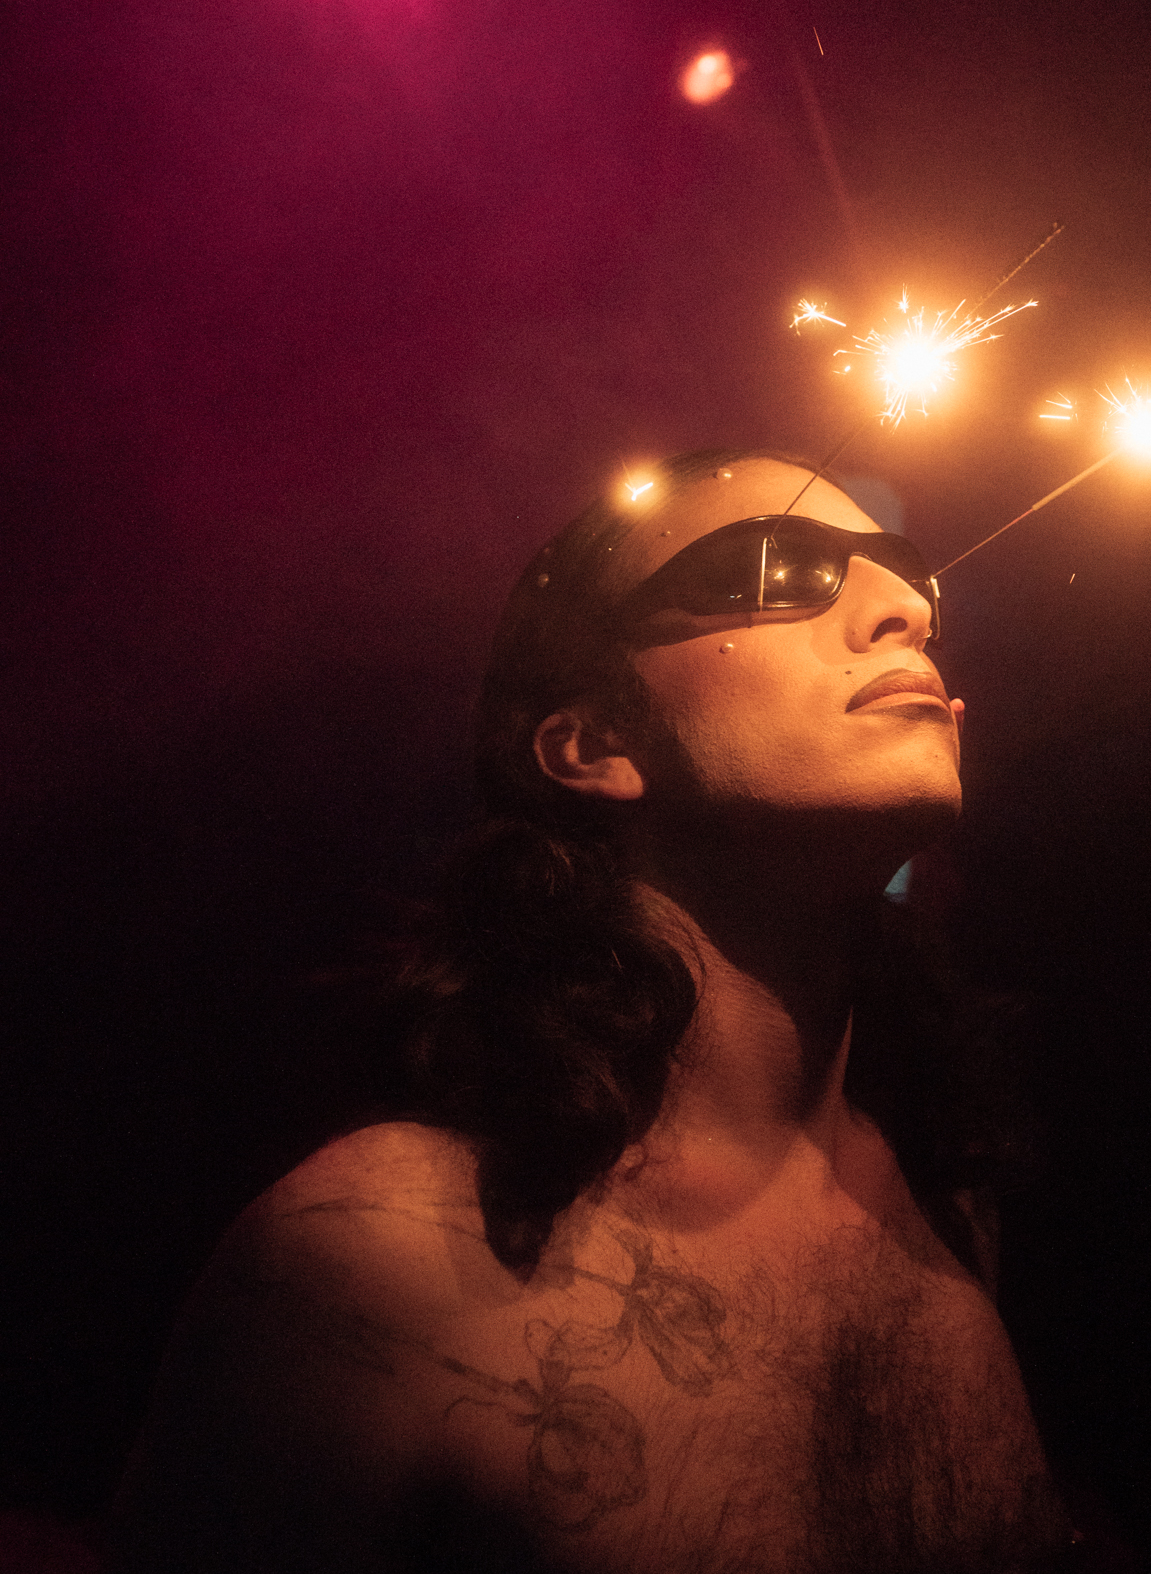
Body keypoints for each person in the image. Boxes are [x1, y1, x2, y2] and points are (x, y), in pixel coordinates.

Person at [113, 449, 1077, 1572]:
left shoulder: (950, 1209)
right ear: (592, 744)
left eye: (903, 570)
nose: (904, 606)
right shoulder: (370, 1262)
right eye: (776, 568)